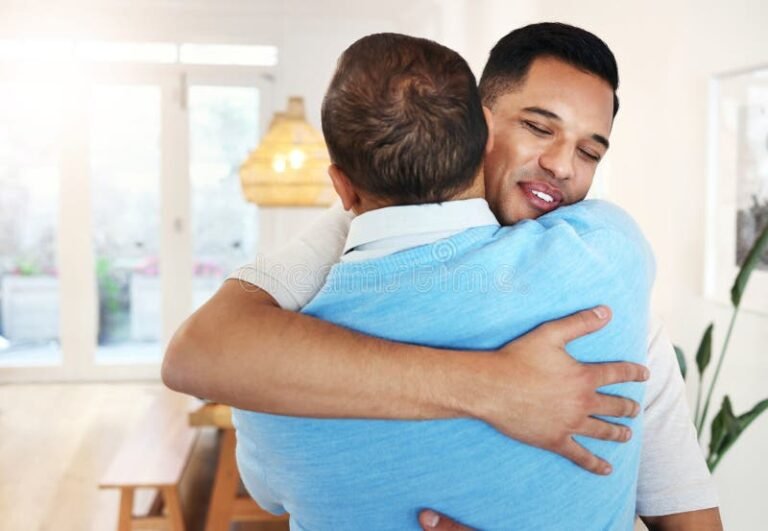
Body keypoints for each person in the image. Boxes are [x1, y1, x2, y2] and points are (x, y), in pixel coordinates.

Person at [163, 23, 721, 528]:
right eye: (537, 126)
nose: (562, 165)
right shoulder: (608, 252)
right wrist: (498, 387)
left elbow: (690, 516)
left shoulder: (609, 303)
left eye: (590, 152)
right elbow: (198, 353)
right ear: (475, 124)